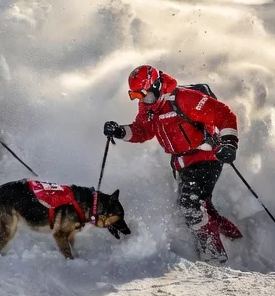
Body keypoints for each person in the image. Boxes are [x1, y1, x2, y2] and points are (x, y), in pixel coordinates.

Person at [103, 65, 243, 262]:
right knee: (199, 206)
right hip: (183, 164)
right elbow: (142, 130)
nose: (142, 100)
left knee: (190, 205)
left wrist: (229, 143)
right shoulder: (148, 108)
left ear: (157, 85)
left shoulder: (184, 99)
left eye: (144, 94)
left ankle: (214, 256)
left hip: (205, 157)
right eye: (135, 95)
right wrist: (120, 131)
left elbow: (223, 114)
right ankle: (235, 239)